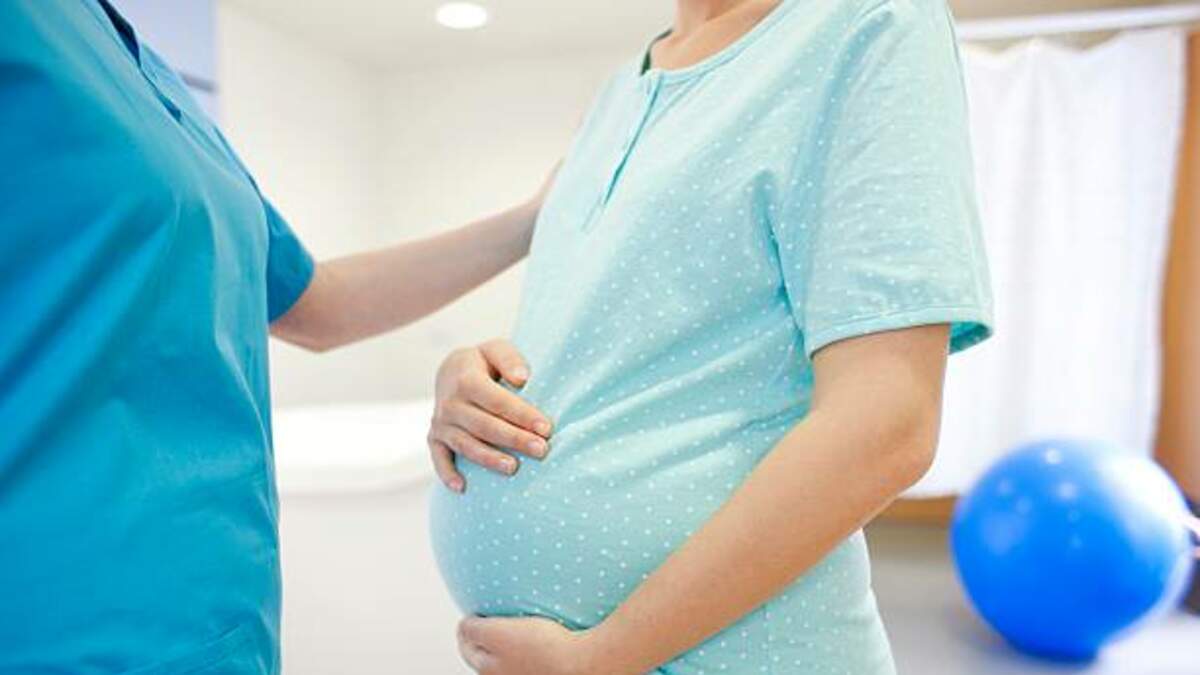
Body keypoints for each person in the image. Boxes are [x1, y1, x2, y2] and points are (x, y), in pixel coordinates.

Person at [427, 0, 994, 672]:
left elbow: (888, 422)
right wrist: (477, 375)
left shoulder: (869, 23)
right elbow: (613, 337)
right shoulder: (618, 93)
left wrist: (600, 658)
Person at [0, 2, 551, 672]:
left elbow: (321, 304)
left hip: (218, 624)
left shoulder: (146, 76)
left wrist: (535, 220)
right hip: (55, 630)